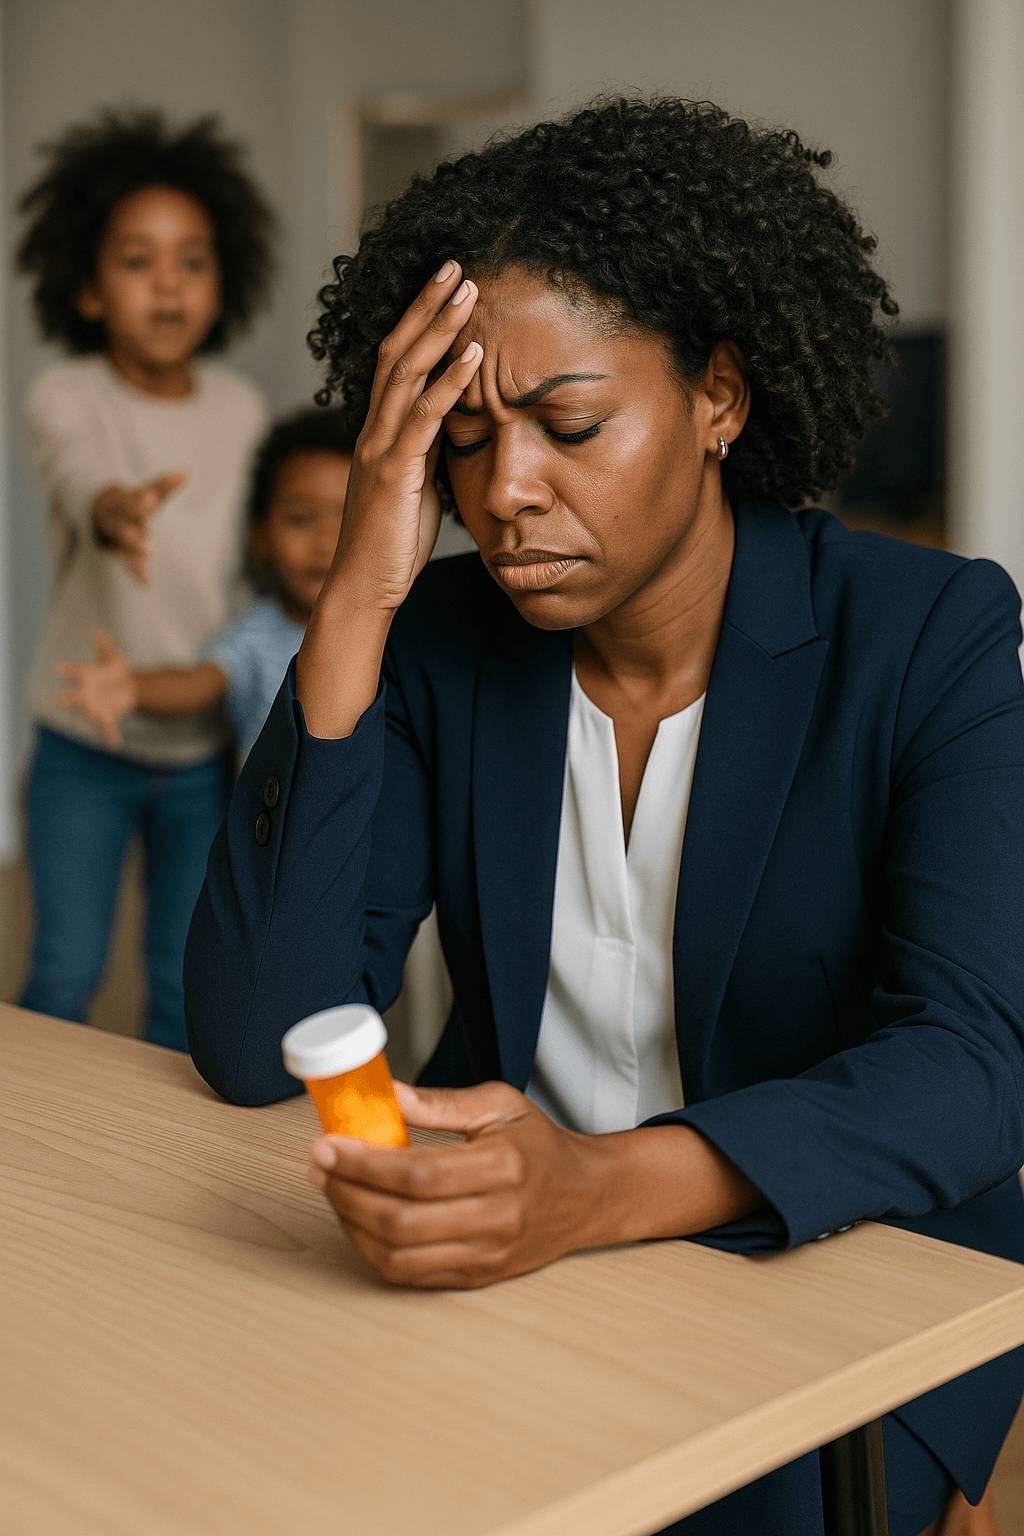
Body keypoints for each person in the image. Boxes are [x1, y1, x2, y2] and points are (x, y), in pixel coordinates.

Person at [183, 99, 1024, 1536]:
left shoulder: (926, 634)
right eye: (458, 443)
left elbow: (974, 1066)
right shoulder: (438, 643)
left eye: (569, 423)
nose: (506, 493)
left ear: (719, 399)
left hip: (830, 1266)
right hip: (506, 1255)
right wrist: (357, 604)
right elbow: (264, 1036)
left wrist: (601, 1188)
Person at [16, 108, 274, 1051]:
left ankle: (155, 1181)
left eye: (192, 259)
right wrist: (115, 510)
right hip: (83, 742)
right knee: (66, 968)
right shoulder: (66, 395)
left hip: (201, 750)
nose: (167, 283)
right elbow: (80, 475)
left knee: (179, 979)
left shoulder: (242, 409)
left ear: (223, 280)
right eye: (137, 260)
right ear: (87, 286)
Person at [55, 409, 355, 761]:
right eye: (301, 518)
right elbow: (194, 684)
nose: (325, 541)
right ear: (260, 539)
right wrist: (134, 687)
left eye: (349, 519)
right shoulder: (257, 634)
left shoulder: (397, 631)